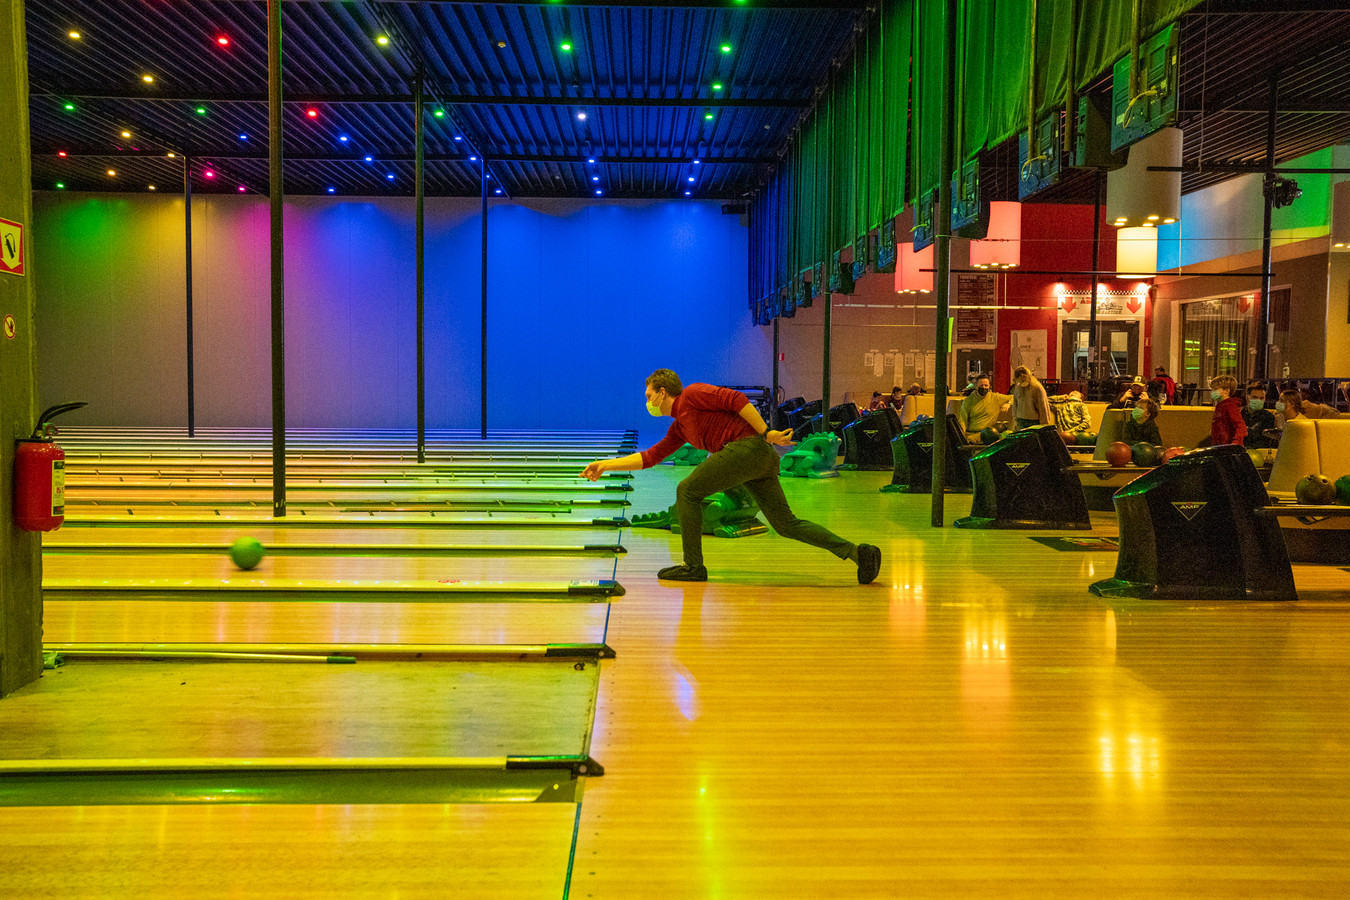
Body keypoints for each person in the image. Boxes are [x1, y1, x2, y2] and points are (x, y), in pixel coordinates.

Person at [581, 369, 881, 584]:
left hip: (750, 449)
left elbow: (736, 400)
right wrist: (606, 464)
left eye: (649, 395)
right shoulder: (679, 427)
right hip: (755, 459)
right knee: (786, 524)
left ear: (662, 391)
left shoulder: (692, 394)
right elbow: (650, 457)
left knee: (687, 490)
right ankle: (859, 554)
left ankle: (693, 566)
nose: (647, 402)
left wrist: (766, 432)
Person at [956, 374, 1011, 442]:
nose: (984, 387)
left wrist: (1008, 403)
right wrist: (961, 437)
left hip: (988, 434)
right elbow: (962, 420)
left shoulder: (995, 398)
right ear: (976, 386)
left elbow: (1013, 397)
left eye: (986, 385)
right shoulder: (968, 400)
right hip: (971, 434)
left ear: (989, 386)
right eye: (981, 385)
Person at [1009, 366, 1052, 432]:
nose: (1022, 381)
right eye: (1020, 380)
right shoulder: (1017, 387)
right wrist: (1015, 420)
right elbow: (1015, 404)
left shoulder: (1037, 387)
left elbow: (1043, 407)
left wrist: (1044, 425)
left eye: (1023, 379)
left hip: (1034, 422)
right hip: (1021, 421)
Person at [1208, 375, 1247, 446]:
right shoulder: (1221, 406)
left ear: (1226, 391)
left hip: (1228, 447)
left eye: (1215, 389)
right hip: (1222, 447)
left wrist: (1236, 442)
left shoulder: (1229, 406)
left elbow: (1241, 426)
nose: (1212, 392)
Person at [1275, 389, 1340, 428]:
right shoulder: (1280, 419)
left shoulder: (1303, 424)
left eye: (1282, 400)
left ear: (1292, 404)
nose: (1278, 403)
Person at [1242, 384, 1278, 449]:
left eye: (1261, 398)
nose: (1258, 400)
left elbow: (1264, 442)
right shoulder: (1238, 414)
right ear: (1247, 397)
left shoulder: (1268, 417)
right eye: (1255, 397)